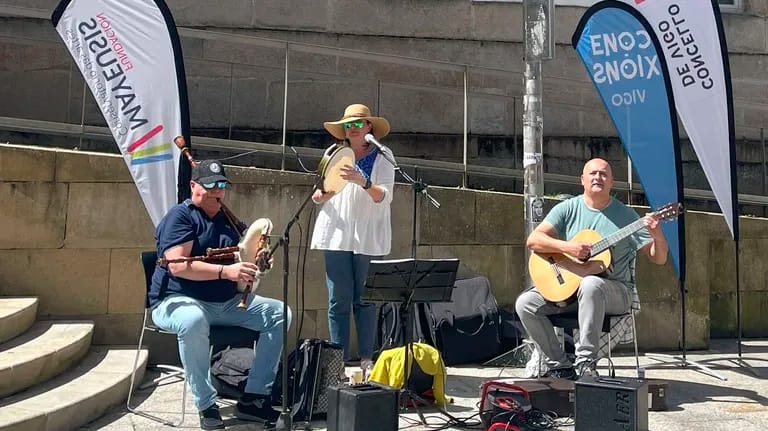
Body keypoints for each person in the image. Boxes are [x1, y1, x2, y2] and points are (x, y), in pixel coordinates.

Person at [150, 158, 291, 430]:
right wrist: (226, 272)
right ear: (193, 186)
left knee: (280, 314)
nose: (217, 190)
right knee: (192, 321)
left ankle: (254, 398)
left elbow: (248, 252)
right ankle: (206, 404)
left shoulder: (229, 220)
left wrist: (261, 260)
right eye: (210, 185)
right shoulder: (180, 216)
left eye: (222, 184)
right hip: (179, 299)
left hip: (225, 303)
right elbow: (178, 266)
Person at [515, 158, 668, 379]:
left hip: (616, 291)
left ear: (612, 182)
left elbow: (659, 258)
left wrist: (657, 235)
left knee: (591, 283)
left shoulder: (627, 216)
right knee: (525, 303)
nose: (598, 177)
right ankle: (559, 365)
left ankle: (586, 363)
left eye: (604, 174)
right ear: (583, 180)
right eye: (593, 173)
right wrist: (570, 248)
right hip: (571, 289)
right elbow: (534, 240)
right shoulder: (568, 208)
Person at [310, 103, 396, 373]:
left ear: (370, 126)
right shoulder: (334, 153)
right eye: (349, 125)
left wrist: (363, 181)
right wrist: (320, 196)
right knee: (338, 299)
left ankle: (367, 358)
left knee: (366, 298)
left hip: (367, 233)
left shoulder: (383, 154)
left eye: (359, 124)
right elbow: (325, 188)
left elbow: (384, 195)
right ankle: (338, 359)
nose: (353, 129)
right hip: (337, 231)